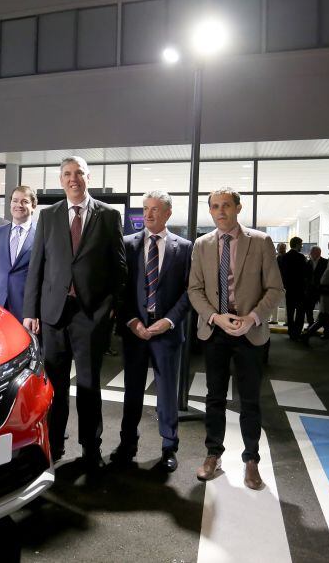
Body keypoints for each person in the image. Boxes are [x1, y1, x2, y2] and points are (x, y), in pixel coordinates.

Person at [23, 156, 126, 468]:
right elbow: (37, 265)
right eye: (67, 174)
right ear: (60, 179)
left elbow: (119, 267)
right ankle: (54, 445)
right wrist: (31, 310)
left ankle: (91, 448)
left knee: (89, 385)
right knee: (54, 386)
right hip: (53, 314)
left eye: (78, 173)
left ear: (88, 177)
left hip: (90, 315)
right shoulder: (49, 216)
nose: (73, 179)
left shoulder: (108, 216)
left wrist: (111, 309)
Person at [187, 187, 283, 490]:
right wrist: (215, 317)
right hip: (215, 330)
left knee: (250, 399)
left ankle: (251, 459)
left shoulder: (261, 242)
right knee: (214, 397)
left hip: (249, 331)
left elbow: (275, 289)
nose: (220, 212)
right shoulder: (202, 245)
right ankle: (213, 454)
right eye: (214, 206)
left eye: (226, 205)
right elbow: (195, 290)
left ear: (238, 208)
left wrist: (252, 318)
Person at [112, 190, 192, 473]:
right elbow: (118, 289)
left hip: (167, 332)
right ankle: (127, 444)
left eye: (155, 209)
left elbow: (190, 292)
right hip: (135, 331)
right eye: (145, 208)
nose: (147, 214)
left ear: (168, 213)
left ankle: (169, 447)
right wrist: (132, 320)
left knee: (168, 392)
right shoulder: (127, 245)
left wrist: (168, 321)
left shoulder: (184, 248)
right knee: (132, 391)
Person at [0, 185, 37, 321]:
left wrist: (36, 312)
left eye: (25, 201)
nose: (19, 205)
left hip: (26, 309)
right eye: (15, 200)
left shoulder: (42, 235)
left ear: (33, 206)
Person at [278, 237, 307, 339]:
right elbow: (305, 273)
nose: (302, 246)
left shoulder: (284, 257)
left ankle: (291, 332)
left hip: (289, 289)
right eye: (301, 244)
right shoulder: (301, 257)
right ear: (297, 244)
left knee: (290, 312)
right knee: (300, 312)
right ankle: (297, 332)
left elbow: (282, 273)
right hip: (300, 289)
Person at [303, 246, 326, 332]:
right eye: (311, 252)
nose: (310, 254)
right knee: (308, 308)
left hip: (321, 290)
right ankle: (311, 324)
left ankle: (326, 329)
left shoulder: (325, 262)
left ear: (318, 253)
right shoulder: (308, 262)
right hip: (310, 290)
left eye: (312, 252)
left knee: (324, 310)